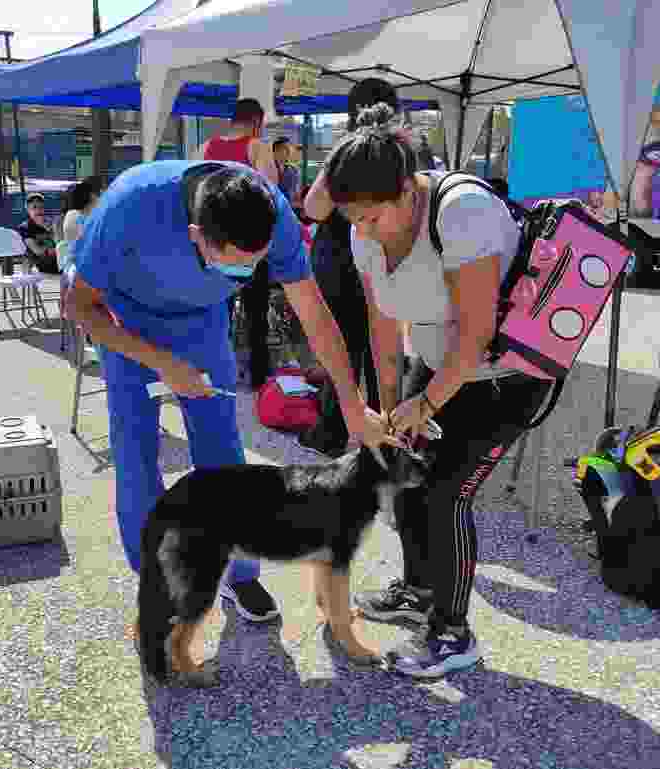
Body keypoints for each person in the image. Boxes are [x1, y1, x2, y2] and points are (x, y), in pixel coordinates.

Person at [65, 160, 400, 622]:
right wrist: (162, 363)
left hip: (202, 322)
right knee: (137, 454)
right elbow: (79, 306)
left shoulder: (274, 213)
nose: (246, 272)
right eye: (235, 263)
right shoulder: (130, 205)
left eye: (254, 263)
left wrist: (351, 403)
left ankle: (239, 576)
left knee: (223, 451)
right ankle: (156, 584)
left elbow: (314, 314)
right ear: (195, 233)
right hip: (126, 319)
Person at [308, 103, 554, 678]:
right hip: (440, 363)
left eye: (371, 218)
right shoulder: (363, 226)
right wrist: (392, 406)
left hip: (503, 375)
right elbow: (382, 325)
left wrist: (425, 404)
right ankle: (419, 591)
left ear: (406, 192)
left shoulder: (461, 211)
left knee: (446, 492)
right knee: (406, 480)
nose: (360, 232)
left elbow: (475, 338)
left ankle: (454, 634)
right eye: (352, 220)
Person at [299, 77, 404, 458]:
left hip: (340, 260)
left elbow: (314, 209)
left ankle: (330, 431)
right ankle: (388, 430)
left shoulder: (349, 150)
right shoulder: (406, 149)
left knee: (341, 347)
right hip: (389, 256)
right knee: (384, 344)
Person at [198, 98, 279, 389]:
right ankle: (258, 379)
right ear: (256, 122)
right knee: (256, 315)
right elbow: (271, 190)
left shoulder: (206, 147)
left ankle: (215, 373)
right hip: (251, 246)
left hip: (215, 245)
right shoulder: (257, 147)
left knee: (217, 312)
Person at [55, 176, 103, 280]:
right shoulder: (90, 218)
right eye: (100, 193)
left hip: (71, 268)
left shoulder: (71, 214)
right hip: (83, 271)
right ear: (93, 196)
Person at [18, 192, 58, 274]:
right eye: (34, 207)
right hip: (43, 262)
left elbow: (60, 242)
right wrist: (52, 249)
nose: (38, 210)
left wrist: (50, 230)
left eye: (41, 207)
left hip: (58, 259)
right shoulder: (25, 227)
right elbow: (37, 251)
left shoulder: (51, 223)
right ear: (28, 210)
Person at [273, 137, 301, 204]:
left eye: (289, 148)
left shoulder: (294, 170)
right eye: (285, 148)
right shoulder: (268, 168)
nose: (289, 151)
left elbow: (296, 193)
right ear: (276, 150)